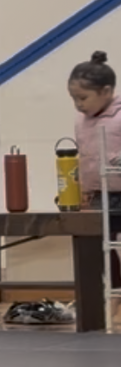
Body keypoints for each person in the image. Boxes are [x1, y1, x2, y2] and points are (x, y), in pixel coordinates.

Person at [69, 51, 121, 284]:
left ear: (107, 92)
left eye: (83, 98)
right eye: (74, 99)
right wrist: (83, 189)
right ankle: (116, 293)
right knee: (100, 246)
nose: (78, 105)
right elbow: (85, 156)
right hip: (100, 194)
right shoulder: (81, 122)